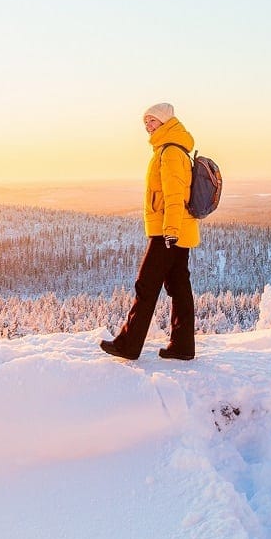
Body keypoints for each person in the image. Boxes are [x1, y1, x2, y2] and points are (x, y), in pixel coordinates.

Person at [100, 102, 198, 361]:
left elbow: (175, 195)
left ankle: (128, 345)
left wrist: (170, 231)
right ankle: (183, 346)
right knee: (178, 287)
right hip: (176, 230)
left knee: (146, 285)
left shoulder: (171, 152)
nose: (148, 126)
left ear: (166, 122)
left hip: (168, 232)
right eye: (146, 122)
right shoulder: (170, 149)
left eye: (153, 121)